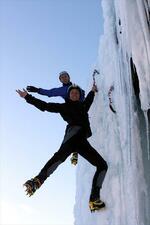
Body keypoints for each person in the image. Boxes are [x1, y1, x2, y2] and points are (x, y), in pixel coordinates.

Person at [16, 84, 108, 212]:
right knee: (58, 157)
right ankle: (37, 180)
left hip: (82, 141)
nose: (74, 94)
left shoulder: (83, 106)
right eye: (72, 93)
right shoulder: (64, 107)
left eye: (76, 93)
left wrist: (92, 91)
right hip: (72, 136)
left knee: (102, 165)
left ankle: (94, 199)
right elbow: (45, 106)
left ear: (79, 96)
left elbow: (89, 100)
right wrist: (28, 97)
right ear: (69, 96)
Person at [26, 71, 85, 165]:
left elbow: (83, 96)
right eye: (62, 77)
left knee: (79, 130)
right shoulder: (62, 90)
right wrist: (37, 90)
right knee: (72, 129)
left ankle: (74, 150)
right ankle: (72, 152)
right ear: (60, 80)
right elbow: (50, 92)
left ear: (69, 77)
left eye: (65, 76)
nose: (64, 78)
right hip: (70, 112)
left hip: (81, 110)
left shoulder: (76, 87)